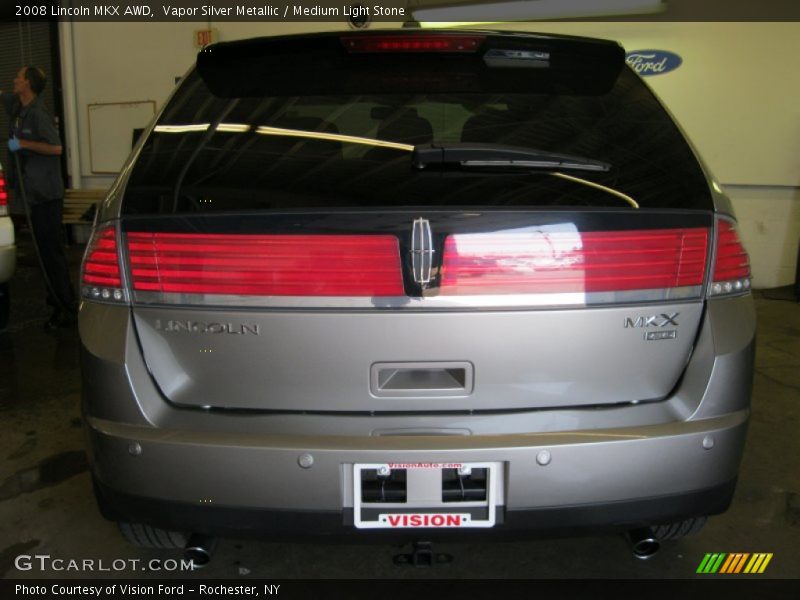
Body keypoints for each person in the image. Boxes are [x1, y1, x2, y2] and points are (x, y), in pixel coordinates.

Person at [1, 66, 76, 328]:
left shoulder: (38, 114)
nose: (14, 80)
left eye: (18, 78)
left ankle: (65, 309)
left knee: (51, 255)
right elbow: (4, 95)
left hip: (47, 197)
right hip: (32, 194)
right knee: (44, 254)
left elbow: (56, 147)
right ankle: (57, 304)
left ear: (28, 84)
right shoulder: (18, 109)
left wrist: (22, 144)